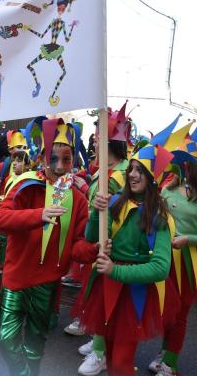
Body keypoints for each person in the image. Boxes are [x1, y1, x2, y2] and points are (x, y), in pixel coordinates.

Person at [0, 118, 98, 376]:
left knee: (35, 344)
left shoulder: (79, 199)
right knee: (5, 340)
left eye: (67, 159)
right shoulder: (25, 184)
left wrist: (96, 248)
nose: (60, 167)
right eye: (54, 158)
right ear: (42, 159)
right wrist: (37, 215)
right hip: (16, 277)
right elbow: (1, 219)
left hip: (47, 283)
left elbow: (77, 249)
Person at [79, 144, 174, 376]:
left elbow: (161, 268)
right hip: (106, 287)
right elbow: (92, 238)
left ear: (153, 178)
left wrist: (116, 271)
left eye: (140, 170)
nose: (132, 174)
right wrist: (96, 213)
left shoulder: (159, 217)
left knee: (122, 361)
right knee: (110, 355)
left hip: (133, 295)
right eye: (131, 168)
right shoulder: (115, 202)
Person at [150, 124, 197, 376]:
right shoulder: (168, 188)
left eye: (189, 162)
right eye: (181, 161)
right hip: (164, 257)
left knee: (179, 313)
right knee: (164, 308)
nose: (183, 166)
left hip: (191, 262)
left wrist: (186, 239)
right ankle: (164, 350)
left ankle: (171, 363)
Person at [72, 104, 132, 376]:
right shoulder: (102, 169)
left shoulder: (122, 174)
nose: (95, 143)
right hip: (95, 238)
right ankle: (98, 341)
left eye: (99, 139)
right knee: (95, 294)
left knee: (106, 298)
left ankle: (101, 352)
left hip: (113, 246)